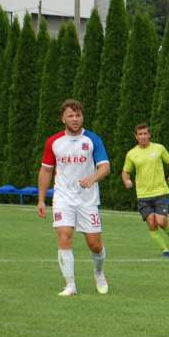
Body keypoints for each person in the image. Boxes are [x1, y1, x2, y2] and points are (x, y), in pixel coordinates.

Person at [37, 99, 110, 297]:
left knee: (95, 244)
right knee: (64, 236)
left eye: (78, 115)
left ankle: (99, 272)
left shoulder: (93, 140)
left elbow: (105, 166)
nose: (75, 119)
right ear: (63, 118)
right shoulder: (54, 142)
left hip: (88, 200)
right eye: (70, 115)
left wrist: (92, 178)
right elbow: (46, 170)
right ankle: (70, 285)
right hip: (63, 198)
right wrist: (41, 199)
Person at [121, 122, 169, 257]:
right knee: (152, 223)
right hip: (143, 195)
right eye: (140, 134)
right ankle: (165, 251)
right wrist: (127, 181)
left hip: (160, 192)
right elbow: (125, 171)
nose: (143, 136)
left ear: (149, 135)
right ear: (136, 137)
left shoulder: (159, 148)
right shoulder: (131, 154)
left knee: (161, 221)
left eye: (145, 134)